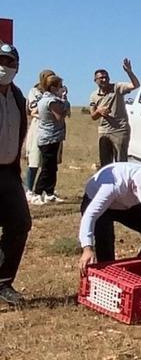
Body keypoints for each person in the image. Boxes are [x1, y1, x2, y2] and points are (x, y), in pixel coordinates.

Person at [0, 42, 31, 306]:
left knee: (20, 223)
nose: (5, 67)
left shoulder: (18, 97)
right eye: (1, 61)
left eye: (10, 63)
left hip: (8, 171)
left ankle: (3, 282)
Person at [89, 58, 140, 167]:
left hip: (120, 129)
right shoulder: (94, 95)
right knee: (105, 162)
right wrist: (99, 111)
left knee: (121, 162)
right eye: (101, 78)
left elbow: (135, 85)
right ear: (95, 80)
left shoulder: (117, 88)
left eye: (106, 77)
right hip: (104, 130)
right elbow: (93, 116)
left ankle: (121, 183)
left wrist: (129, 72)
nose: (104, 79)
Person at [33, 75, 71, 203]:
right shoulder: (51, 101)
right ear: (53, 87)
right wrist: (65, 105)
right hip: (49, 137)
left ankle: (49, 192)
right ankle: (37, 193)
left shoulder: (47, 99)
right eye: (60, 86)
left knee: (52, 166)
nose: (62, 88)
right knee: (47, 167)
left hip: (51, 137)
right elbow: (59, 116)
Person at [23, 69, 55, 203]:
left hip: (52, 128)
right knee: (34, 160)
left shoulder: (55, 91)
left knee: (49, 162)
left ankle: (48, 191)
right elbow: (33, 110)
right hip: (39, 127)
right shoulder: (34, 91)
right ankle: (29, 190)